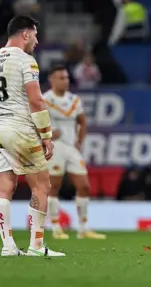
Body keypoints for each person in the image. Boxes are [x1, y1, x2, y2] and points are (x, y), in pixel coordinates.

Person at [0, 15, 65, 257]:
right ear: (25, 34)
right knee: (41, 185)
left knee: (5, 187)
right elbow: (36, 100)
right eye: (35, 35)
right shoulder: (26, 60)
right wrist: (46, 135)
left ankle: (8, 246)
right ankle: (36, 246)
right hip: (19, 130)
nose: (37, 41)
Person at [43, 64, 106, 240]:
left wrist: (79, 141)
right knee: (54, 187)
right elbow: (34, 124)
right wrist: (46, 136)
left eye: (67, 78)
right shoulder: (44, 100)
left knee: (84, 186)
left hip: (71, 147)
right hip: (55, 147)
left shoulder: (74, 100)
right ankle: (55, 227)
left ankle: (83, 228)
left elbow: (82, 122)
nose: (65, 81)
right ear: (52, 79)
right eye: (61, 78)